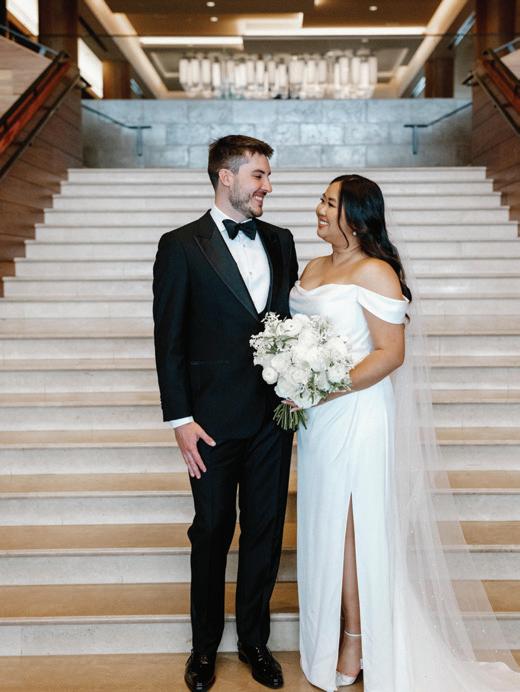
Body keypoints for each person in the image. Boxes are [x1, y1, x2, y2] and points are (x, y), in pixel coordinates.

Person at [290, 174, 520, 691]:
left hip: (357, 410)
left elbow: (391, 353)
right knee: (326, 525)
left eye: (329, 203)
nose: (318, 209)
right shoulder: (313, 267)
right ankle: (336, 631)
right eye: (322, 200)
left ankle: (359, 635)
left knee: (353, 528)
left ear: (355, 217)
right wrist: (293, 375)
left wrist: (323, 388)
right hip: (317, 421)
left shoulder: (376, 272)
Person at [152, 135, 298, 692]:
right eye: (259, 175)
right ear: (226, 177)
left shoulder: (281, 241)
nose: (268, 186)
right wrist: (180, 419)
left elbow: (289, 323)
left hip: (273, 418)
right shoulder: (180, 245)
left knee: (265, 530)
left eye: (268, 175)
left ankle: (255, 642)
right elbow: (168, 339)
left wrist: (299, 381)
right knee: (212, 530)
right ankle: (204, 647)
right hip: (209, 423)